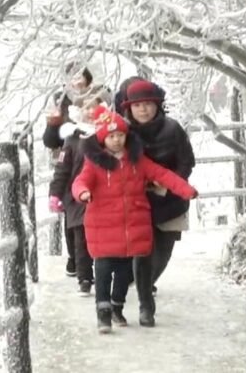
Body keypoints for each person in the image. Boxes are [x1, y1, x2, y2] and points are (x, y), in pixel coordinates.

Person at [71, 105, 197, 334]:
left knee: (122, 273)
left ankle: (117, 307)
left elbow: (162, 174)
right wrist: (82, 193)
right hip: (103, 230)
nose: (116, 140)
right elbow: (80, 181)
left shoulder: (138, 161)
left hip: (129, 229)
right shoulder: (95, 163)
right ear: (102, 138)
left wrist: (185, 189)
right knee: (102, 272)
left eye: (120, 135)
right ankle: (103, 314)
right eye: (111, 136)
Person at [117, 77, 196, 326]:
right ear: (129, 107)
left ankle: (146, 284)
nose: (143, 109)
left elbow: (187, 162)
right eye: (138, 105)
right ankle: (145, 308)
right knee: (141, 255)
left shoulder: (173, 129)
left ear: (157, 105)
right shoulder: (122, 134)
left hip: (170, 202)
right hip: (138, 204)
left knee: (161, 255)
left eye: (148, 104)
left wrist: (171, 182)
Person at [46, 86, 113, 296]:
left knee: (104, 238)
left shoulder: (110, 134)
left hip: (105, 194)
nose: (89, 111)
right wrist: (55, 193)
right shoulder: (72, 138)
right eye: (85, 107)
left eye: (93, 106)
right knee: (81, 239)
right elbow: (62, 168)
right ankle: (85, 278)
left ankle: (108, 273)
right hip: (77, 196)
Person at [42, 62, 94, 278]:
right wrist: (54, 124)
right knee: (71, 216)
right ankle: (75, 258)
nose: (76, 81)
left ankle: (90, 261)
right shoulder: (60, 101)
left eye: (80, 76)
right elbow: (50, 141)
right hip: (68, 165)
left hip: (92, 161)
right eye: (72, 77)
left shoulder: (99, 98)